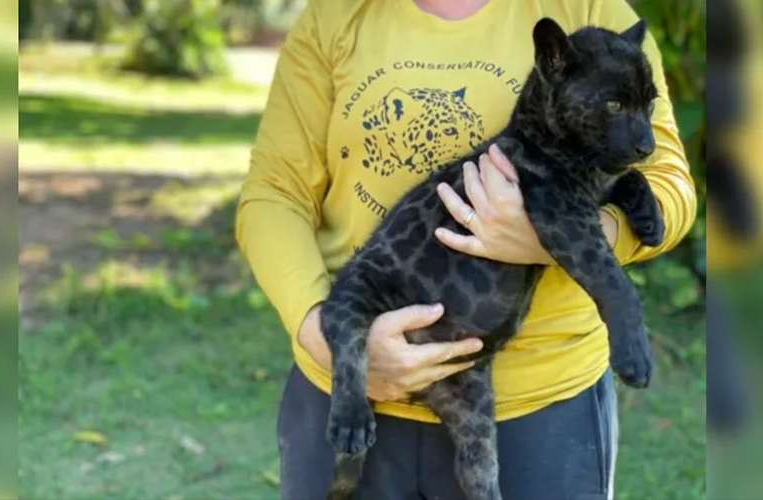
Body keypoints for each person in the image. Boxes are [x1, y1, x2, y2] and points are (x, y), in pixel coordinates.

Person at [235, 0, 697, 498]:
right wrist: (326, 342)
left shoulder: (590, 8)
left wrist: (557, 239)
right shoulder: (335, 16)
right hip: (345, 386)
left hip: (537, 410)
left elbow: (669, 184)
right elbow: (273, 193)